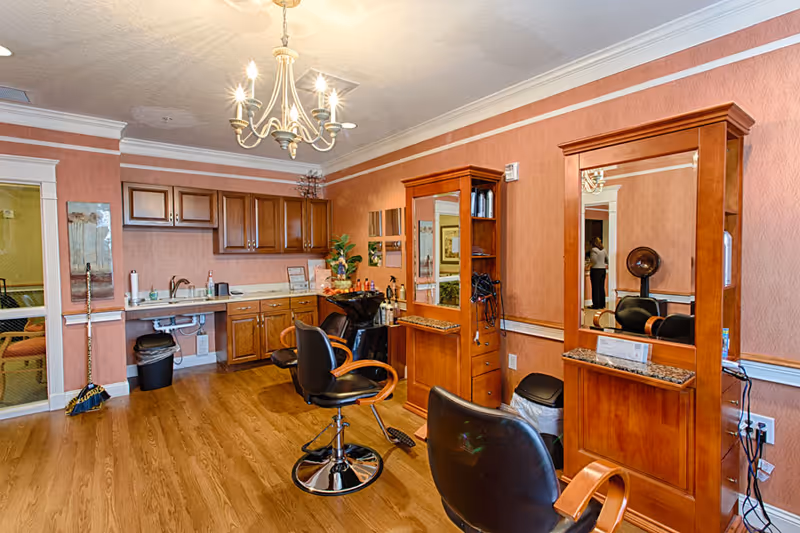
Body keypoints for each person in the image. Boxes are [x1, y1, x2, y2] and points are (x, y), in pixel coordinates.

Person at [589, 237, 608, 309]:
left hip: (596, 270)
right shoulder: (603, 250)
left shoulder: (594, 250)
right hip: (603, 270)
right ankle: (602, 304)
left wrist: (588, 265)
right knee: (601, 287)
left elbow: (593, 261)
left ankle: (596, 305)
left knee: (595, 288)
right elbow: (607, 260)